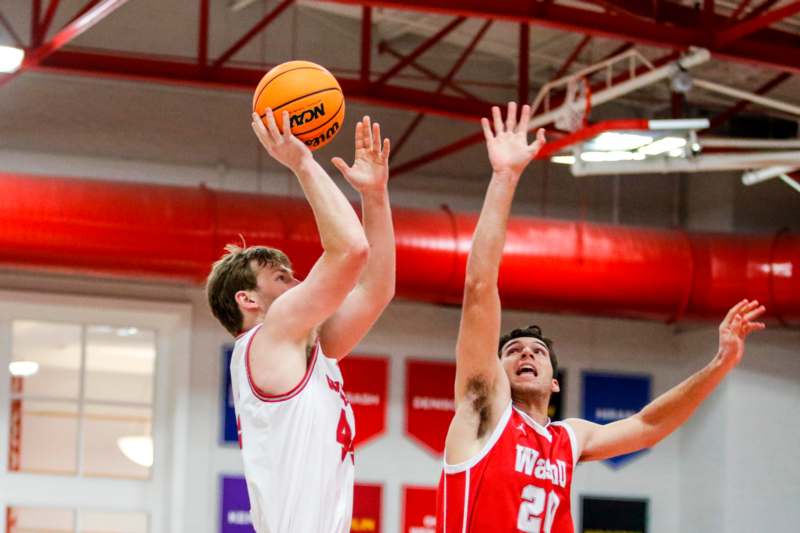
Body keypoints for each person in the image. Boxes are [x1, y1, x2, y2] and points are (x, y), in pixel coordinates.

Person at [435, 102, 766, 533]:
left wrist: (720, 364)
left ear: (555, 381)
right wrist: (504, 177)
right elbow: (480, 288)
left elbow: (649, 424)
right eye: (512, 351)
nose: (525, 354)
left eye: (537, 350)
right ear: (494, 371)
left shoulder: (569, 439)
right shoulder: (483, 410)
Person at [206, 108, 395, 533]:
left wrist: (375, 196)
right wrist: (302, 161)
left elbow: (376, 289)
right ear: (248, 299)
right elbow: (350, 250)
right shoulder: (269, 335)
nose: (299, 281)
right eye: (281, 277)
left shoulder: (307, 349)